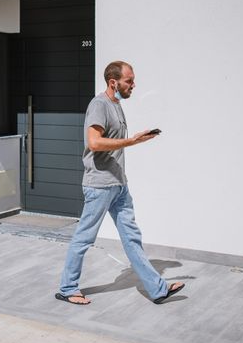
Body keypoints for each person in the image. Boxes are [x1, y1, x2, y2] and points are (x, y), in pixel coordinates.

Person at [56, 61, 185, 305]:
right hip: (100, 185)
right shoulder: (99, 105)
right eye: (129, 81)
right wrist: (132, 141)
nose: (133, 85)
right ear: (113, 82)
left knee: (131, 237)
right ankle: (67, 287)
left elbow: (113, 143)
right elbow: (94, 143)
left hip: (118, 185)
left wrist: (135, 140)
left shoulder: (116, 105)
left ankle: (158, 289)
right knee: (84, 238)